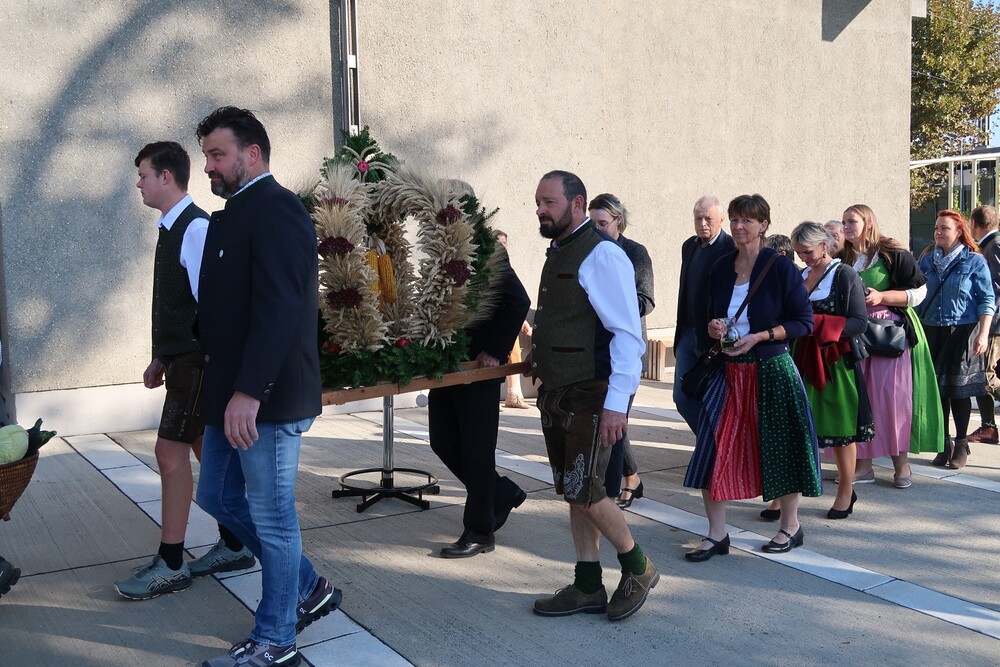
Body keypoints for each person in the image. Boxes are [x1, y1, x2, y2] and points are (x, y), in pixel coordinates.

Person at [194, 107, 341, 667]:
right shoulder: (237, 212)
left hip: (266, 401)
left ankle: (276, 640)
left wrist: (251, 391)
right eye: (207, 155)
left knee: (274, 518)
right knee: (218, 497)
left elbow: (281, 309)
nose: (209, 166)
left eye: (217, 154)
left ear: (251, 153)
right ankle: (307, 586)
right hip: (230, 395)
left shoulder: (277, 209)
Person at [115, 141, 254, 601]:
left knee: (168, 454)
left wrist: (195, 363)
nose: (139, 184)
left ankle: (171, 563)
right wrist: (162, 355)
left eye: (143, 175)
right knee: (200, 449)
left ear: (166, 176)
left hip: (198, 364)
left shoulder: (194, 228)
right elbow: (179, 304)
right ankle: (234, 544)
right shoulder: (172, 227)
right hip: (184, 362)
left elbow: (211, 306)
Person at [528, 170, 658, 622]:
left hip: (592, 392)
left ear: (578, 203)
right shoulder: (560, 248)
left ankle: (638, 567)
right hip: (559, 392)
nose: (540, 210)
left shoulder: (603, 254)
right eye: (538, 202)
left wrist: (617, 404)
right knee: (573, 490)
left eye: (549, 202)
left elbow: (627, 334)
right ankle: (587, 584)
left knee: (587, 490)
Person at [683, 194, 819, 561]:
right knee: (712, 448)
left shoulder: (781, 267)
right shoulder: (720, 267)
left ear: (763, 225)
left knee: (781, 449)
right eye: (735, 219)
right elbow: (709, 314)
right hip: (728, 372)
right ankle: (716, 534)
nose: (739, 226)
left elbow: (804, 322)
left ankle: (790, 526)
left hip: (771, 370)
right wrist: (713, 326)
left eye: (747, 220)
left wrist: (760, 336)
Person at [430, 219, 531, 558]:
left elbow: (519, 301)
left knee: (477, 450)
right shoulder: (442, 251)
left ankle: (480, 531)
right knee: (442, 440)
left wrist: (496, 349)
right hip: (448, 366)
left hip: (479, 369)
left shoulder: (487, 250)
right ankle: (500, 493)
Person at [841, 204, 943, 487]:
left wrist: (883, 297)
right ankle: (864, 466)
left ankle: (902, 465)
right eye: (843, 222)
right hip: (856, 335)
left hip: (888, 335)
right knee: (861, 399)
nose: (846, 227)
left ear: (868, 222)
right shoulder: (844, 257)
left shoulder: (892, 253)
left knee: (892, 398)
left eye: (851, 221)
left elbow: (919, 292)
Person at [790, 222, 872, 520]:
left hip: (835, 361)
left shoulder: (845, 274)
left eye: (807, 252)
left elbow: (859, 322)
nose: (803, 259)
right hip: (800, 358)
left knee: (841, 431)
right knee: (796, 429)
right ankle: (786, 496)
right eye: (799, 253)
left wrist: (819, 325)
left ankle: (846, 490)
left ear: (824, 246)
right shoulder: (800, 276)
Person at [588, 193, 655, 509]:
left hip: (627, 351)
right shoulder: (590, 250)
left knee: (614, 423)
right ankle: (630, 479)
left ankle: (612, 494)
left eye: (602, 223)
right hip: (596, 352)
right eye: (592, 224)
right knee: (611, 422)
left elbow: (646, 301)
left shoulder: (635, 252)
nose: (596, 229)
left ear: (618, 221)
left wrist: (612, 303)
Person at [916, 210, 995, 469]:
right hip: (931, 330)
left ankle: (961, 443)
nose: (938, 232)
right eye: (936, 227)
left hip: (963, 331)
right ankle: (943, 443)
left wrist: (983, 333)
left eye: (944, 228)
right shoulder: (926, 261)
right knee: (938, 391)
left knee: (959, 390)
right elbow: (916, 296)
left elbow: (986, 299)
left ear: (959, 231)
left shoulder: (974, 261)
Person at [674, 196, 736, 432]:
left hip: (713, 337)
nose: (703, 224)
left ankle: (714, 446)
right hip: (686, 333)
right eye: (698, 218)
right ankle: (709, 443)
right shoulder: (689, 246)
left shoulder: (730, 248)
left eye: (708, 219)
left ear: (721, 220)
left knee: (713, 399)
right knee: (682, 396)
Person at [967, 205, 1000, 445]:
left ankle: (989, 426)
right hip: (993, 322)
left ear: (973, 223)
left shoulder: (994, 246)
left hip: (994, 323)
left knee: (986, 377)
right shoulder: (989, 246)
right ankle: (988, 426)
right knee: (983, 376)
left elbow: (994, 288)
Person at [495, 230, 533, 409]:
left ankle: (514, 394)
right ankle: (507, 395)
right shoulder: (493, 265)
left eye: (504, 243)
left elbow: (517, 299)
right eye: (499, 243)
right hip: (496, 321)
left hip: (509, 319)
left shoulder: (506, 265)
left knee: (515, 353)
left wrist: (521, 320)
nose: (502, 246)